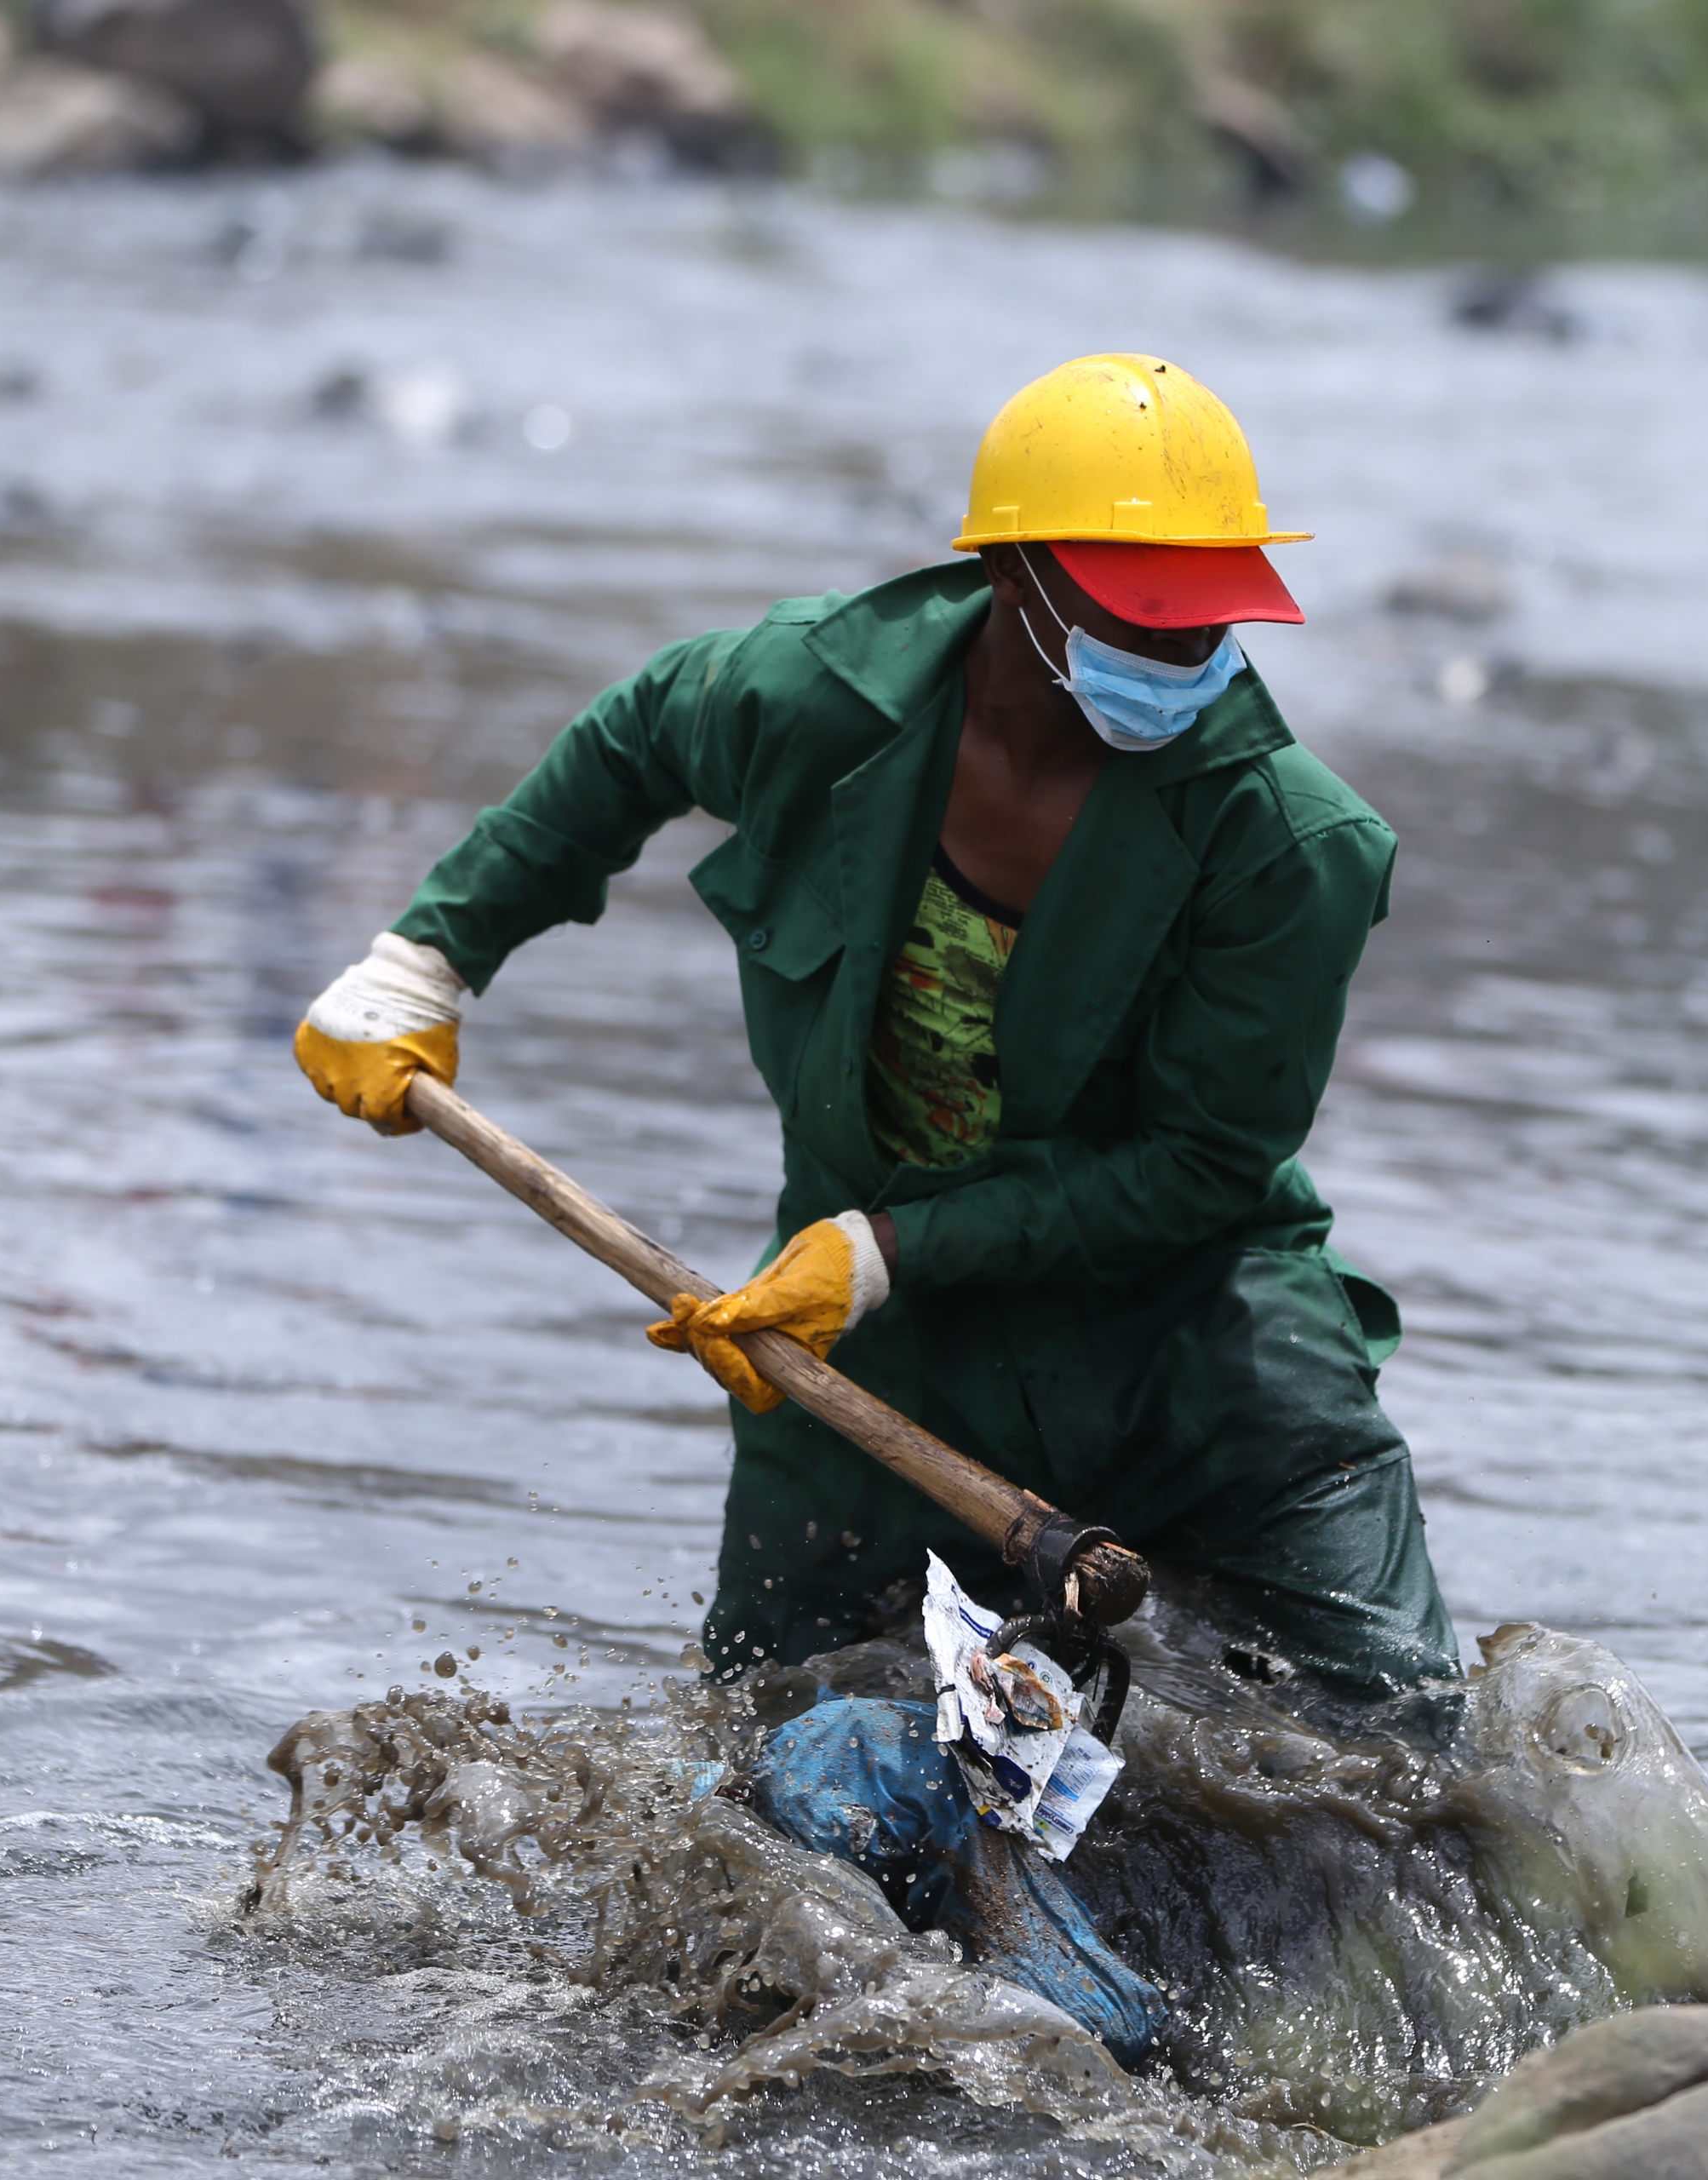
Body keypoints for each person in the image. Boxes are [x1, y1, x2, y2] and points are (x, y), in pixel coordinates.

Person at [292, 357, 1460, 2054]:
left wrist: (890, 1250)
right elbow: (631, 743)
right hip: (861, 1329)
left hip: (1190, 1331)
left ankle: (1322, 2040)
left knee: (1407, 1759)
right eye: (1140, 616)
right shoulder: (820, 697)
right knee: (760, 1723)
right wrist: (428, 953)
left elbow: (1204, 1168)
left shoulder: (1289, 842)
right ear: (1012, 583)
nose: (1184, 657)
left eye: (1209, 621)